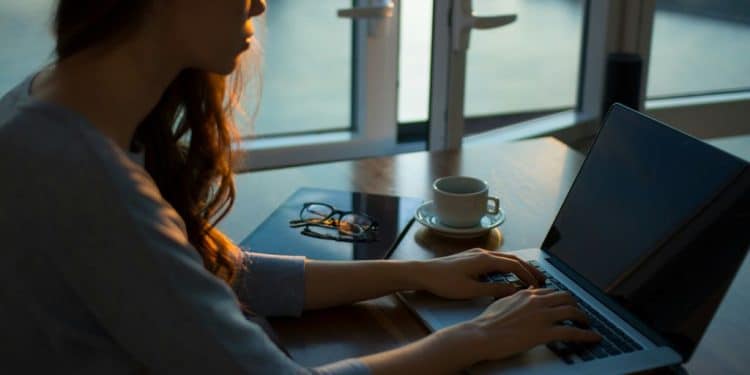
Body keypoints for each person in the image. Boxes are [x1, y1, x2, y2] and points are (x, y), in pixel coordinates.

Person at [0, 0, 600, 373]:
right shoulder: (89, 183)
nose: (258, 4)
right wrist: (476, 337)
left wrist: (410, 275)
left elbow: (199, 272)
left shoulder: (44, 104)